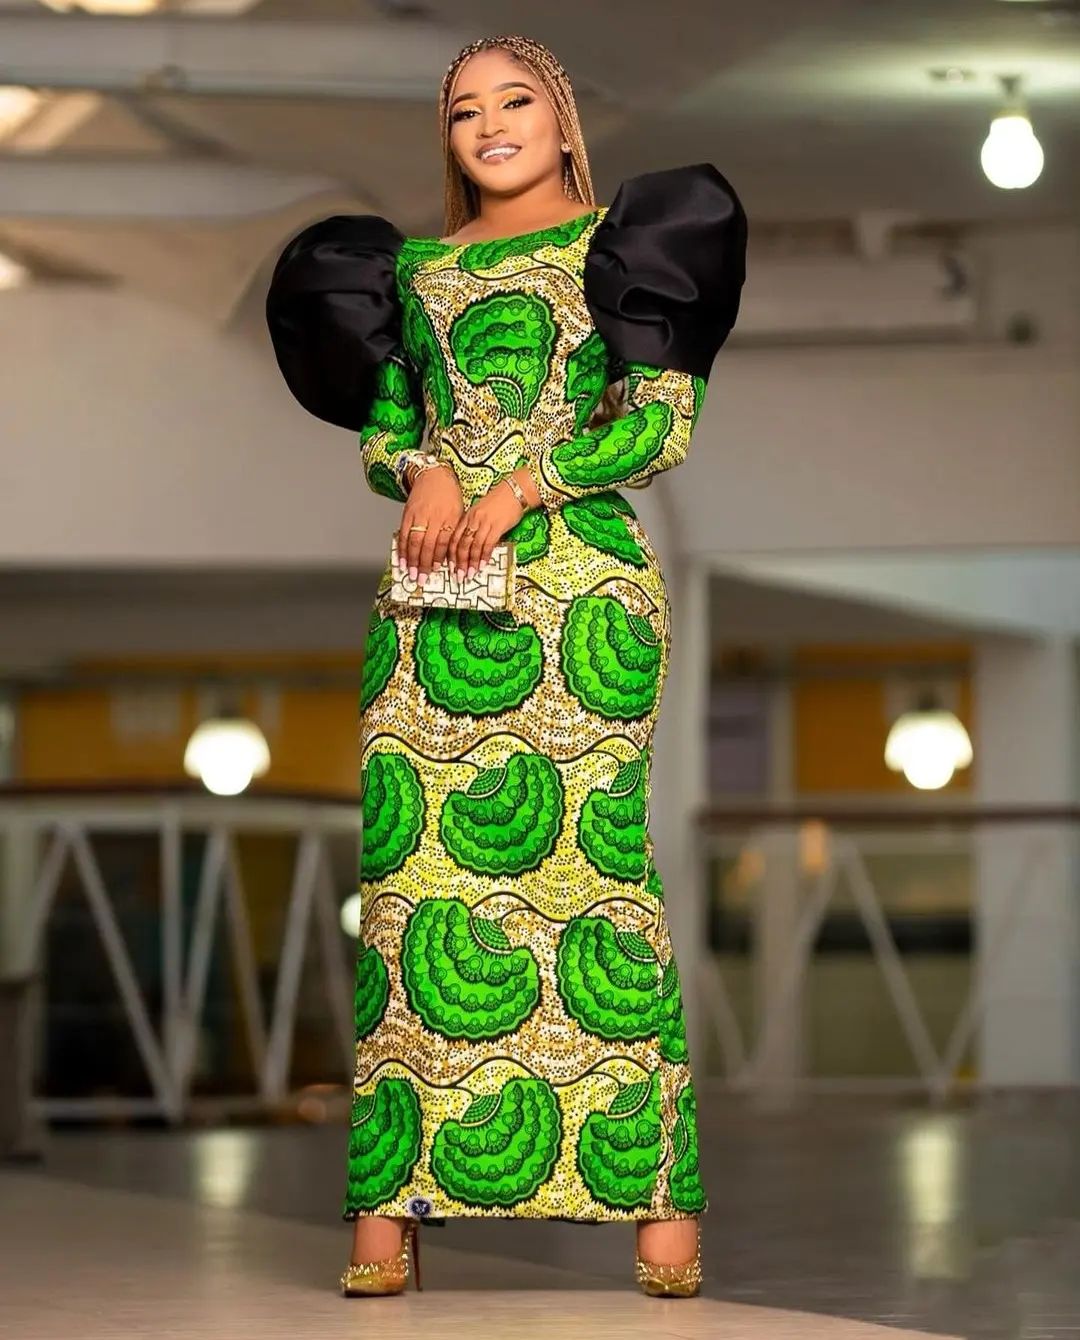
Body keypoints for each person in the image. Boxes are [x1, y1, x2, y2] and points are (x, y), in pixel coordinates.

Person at [266, 32, 746, 1300]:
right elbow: (385, 430)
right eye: (465, 110)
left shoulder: (625, 247)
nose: (489, 125)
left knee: (597, 878)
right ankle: (389, 1207)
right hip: (432, 597)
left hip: (580, 597)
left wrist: (528, 483)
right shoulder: (408, 271)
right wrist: (422, 466)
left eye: (514, 100)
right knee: (411, 886)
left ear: (563, 117)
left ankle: (658, 1203)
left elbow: (662, 423)